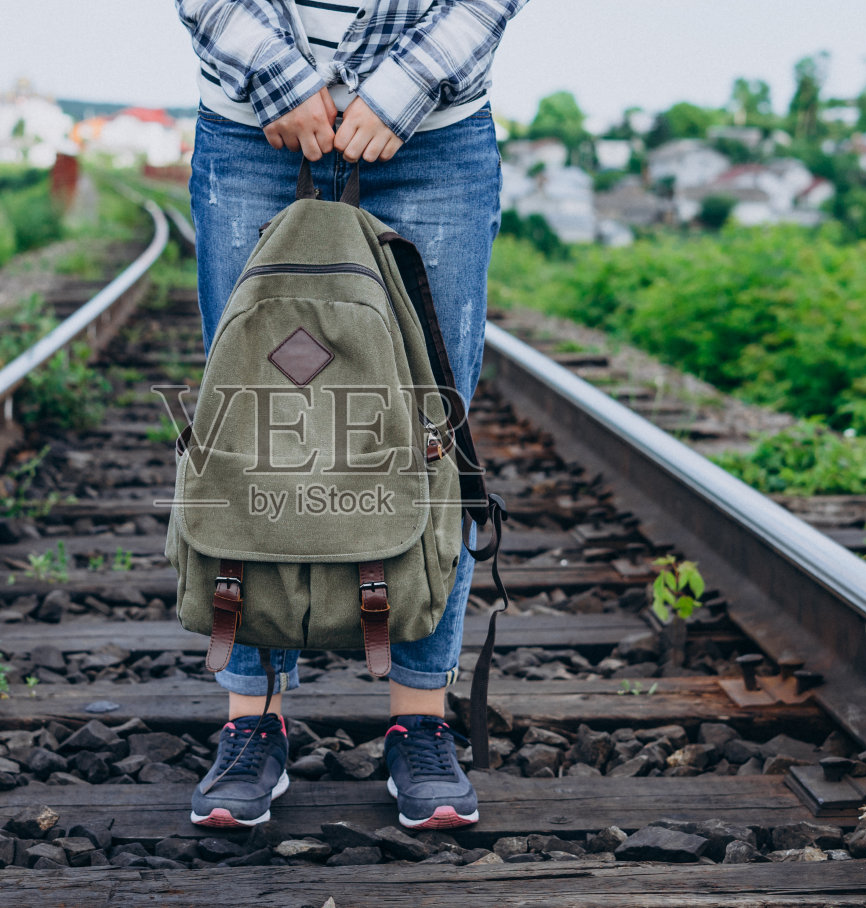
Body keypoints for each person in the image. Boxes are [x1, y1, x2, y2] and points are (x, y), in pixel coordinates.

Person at [174, 0, 527, 830]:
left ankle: (419, 724)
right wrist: (278, 78)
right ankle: (253, 721)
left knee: (431, 436)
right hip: (252, 126)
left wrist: (402, 89)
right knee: (254, 432)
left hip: (433, 134)